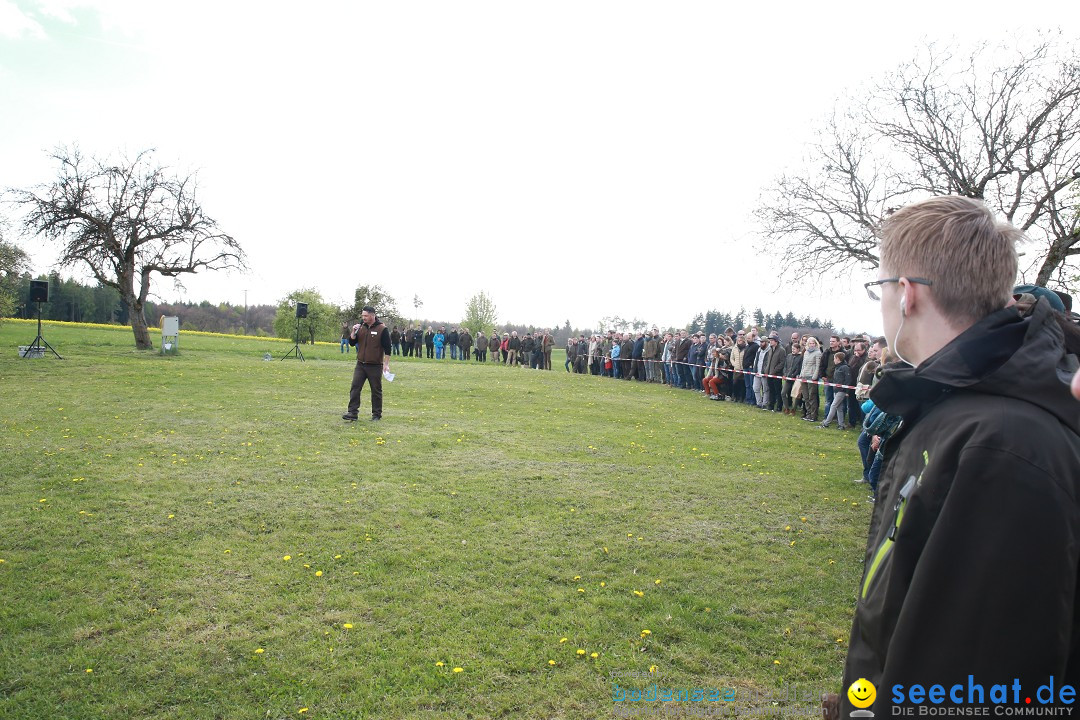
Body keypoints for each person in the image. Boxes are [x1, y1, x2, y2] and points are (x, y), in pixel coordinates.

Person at [826, 196, 1080, 719]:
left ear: (907, 296)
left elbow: (973, 679)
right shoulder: (954, 408)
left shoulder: (1001, 444)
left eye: (881, 285)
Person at [343, 305, 391, 422]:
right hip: (360, 364)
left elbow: (388, 348)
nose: (363, 318)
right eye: (362, 315)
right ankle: (352, 413)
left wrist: (386, 364)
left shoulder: (382, 329)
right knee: (355, 387)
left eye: (366, 316)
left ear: (372, 315)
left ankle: (376, 415)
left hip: (375, 365)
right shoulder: (361, 326)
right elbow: (352, 343)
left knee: (376, 390)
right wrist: (354, 331)